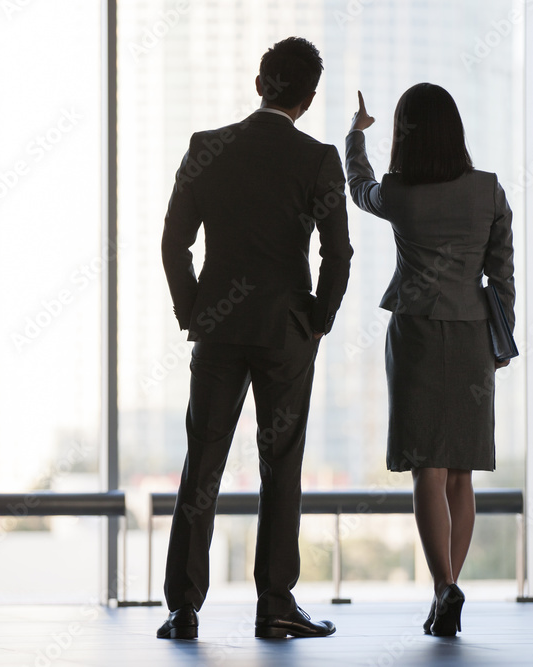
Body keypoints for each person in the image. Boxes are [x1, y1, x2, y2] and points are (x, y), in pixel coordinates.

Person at [158, 36, 352, 640]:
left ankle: (184, 608)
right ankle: (274, 604)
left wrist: (194, 309)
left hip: (218, 327)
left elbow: (174, 243)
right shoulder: (319, 159)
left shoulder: (207, 148)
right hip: (286, 331)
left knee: (204, 463)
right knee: (281, 466)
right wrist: (318, 318)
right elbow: (337, 252)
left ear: (260, 81)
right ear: (310, 97)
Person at [345, 84, 514, 637]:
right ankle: (449, 587)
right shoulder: (488, 192)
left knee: (427, 466)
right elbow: (502, 271)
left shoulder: (400, 193)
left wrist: (355, 136)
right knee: (461, 471)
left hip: (416, 330)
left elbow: (359, 189)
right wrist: (501, 330)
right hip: (470, 334)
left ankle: (444, 588)